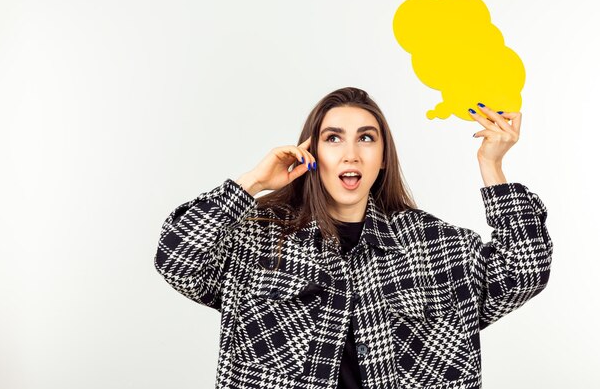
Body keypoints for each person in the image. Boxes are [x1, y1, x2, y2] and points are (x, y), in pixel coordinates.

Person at [154, 87, 553, 389]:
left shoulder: (439, 247)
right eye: (333, 138)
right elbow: (176, 259)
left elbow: (524, 273)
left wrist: (492, 165)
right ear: (311, 154)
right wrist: (253, 182)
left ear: (383, 157)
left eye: (366, 138)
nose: (350, 154)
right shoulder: (256, 242)